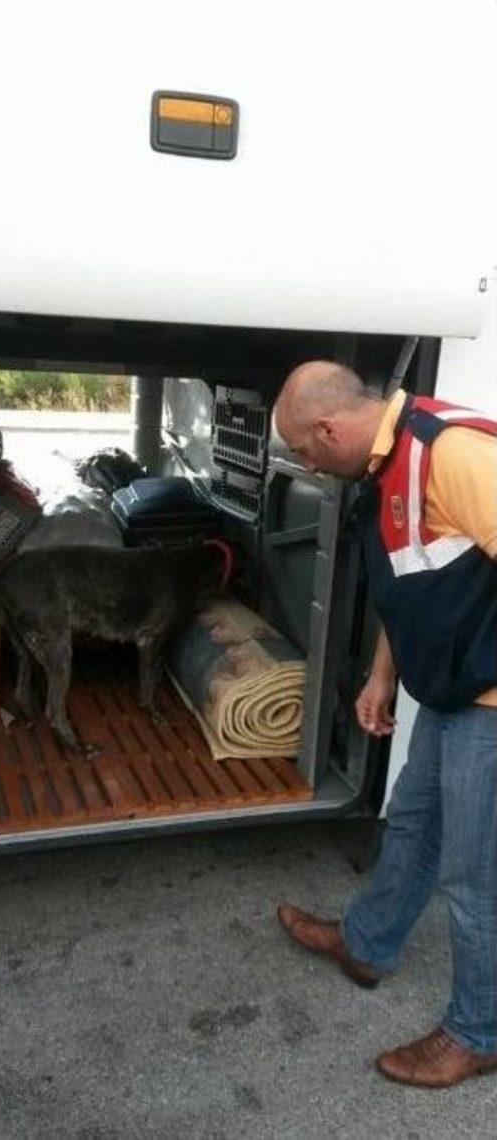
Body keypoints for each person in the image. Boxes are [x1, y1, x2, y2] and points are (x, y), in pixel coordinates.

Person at [272, 360, 497, 1088]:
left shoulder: (448, 452)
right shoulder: (389, 463)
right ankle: (367, 943)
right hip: (450, 689)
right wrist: (382, 675)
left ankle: (479, 1032)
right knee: (411, 823)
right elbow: (416, 581)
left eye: (304, 451)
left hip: (489, 702)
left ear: (329, 429)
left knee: (475, 879)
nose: (305, 464)